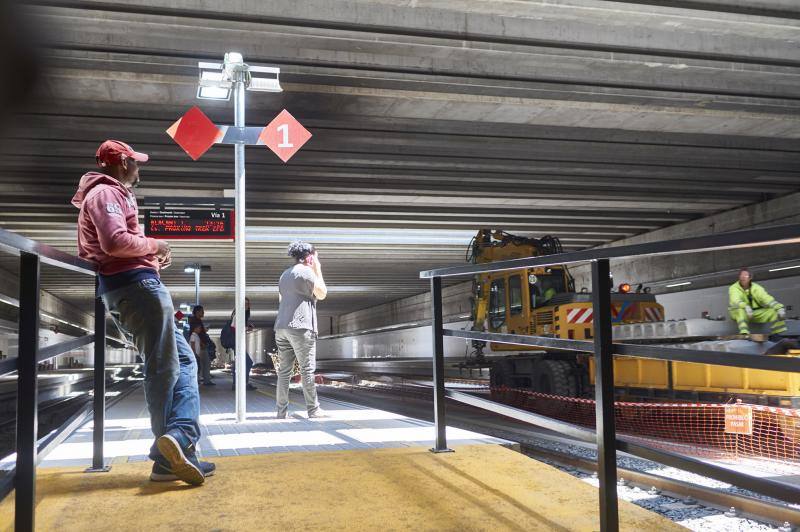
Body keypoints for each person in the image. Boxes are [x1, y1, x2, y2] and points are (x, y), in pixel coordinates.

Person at [72, 139, 213, 485]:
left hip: (134, 285)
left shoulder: (110, 194)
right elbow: (116, 242)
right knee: (163, 368)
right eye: (136, 163)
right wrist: (157, 245)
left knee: (183, 363)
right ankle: (173, 448)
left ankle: (178, 445)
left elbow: (119, 243)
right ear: (122, 163)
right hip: (137, 289)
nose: (139, 169)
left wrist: (151, 253)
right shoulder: (105, 194)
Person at [274, 241, 327, 419]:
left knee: (284, 371)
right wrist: (317, 268)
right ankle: (313, 409)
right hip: (301, 327)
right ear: (310, 257)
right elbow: (322, 293)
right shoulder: (307, 272)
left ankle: (281, 412)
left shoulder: (284, 274)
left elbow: (281, 300)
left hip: (281, 327)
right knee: (307, 369)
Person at [729, 268, 787, 340]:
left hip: (753, 313)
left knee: (773, 311)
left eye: (745, 275)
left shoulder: (756, 288)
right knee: (740, 310)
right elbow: (735, 300)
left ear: (750, 278)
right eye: (741, 275)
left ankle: (777, 335)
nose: (743, 277)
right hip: (738, 313)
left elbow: (766, 298)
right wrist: (745, 306)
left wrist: (779, 308)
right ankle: (744, 333)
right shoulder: (734, 288)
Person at [229, 297, 256, 391]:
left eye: (248, 304)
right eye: (245, 304)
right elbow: (234, 328)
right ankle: (242, 384)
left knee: (240, 363)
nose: (247, 306)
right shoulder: (239, 315)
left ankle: (237, 384)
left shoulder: (242, 315)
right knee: (248, 362)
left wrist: (247, 326)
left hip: (239, 342)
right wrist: (246, 328)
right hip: (237, 342)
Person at [188, 305, 215, 385]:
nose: (203, 313)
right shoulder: (195, 321)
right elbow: (195, 334)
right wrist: (201, 343)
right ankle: (205, 381)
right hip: (201, 346)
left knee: (203, 364)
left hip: (201, 345)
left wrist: (204, 330)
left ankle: (204, 380)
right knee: (205, 363)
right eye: (202, 311)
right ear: (197, 312)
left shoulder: (197, 320)